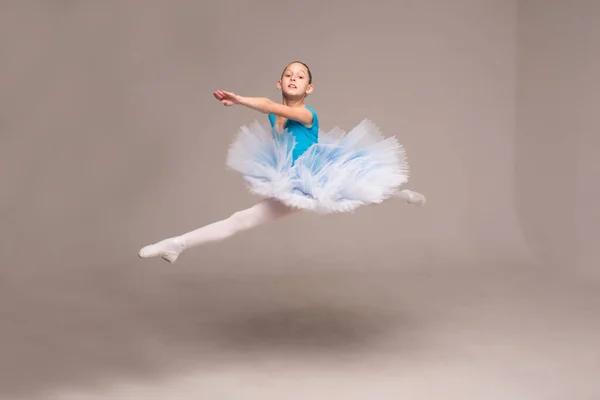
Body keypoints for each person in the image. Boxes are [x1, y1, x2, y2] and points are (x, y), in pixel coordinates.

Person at [138, 61, 426, 263]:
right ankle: (177, 244)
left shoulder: (307, 113)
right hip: (291, 184)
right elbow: (273, 114)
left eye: (300, 76)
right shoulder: (275, 115)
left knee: (366, 193)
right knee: (241, 219)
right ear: (280, 82)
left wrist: (239, 99)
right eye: (288, 74)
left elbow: (269, 104)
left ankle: (402, 194)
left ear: (309, 88)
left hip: (317, 175)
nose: (293, 78)